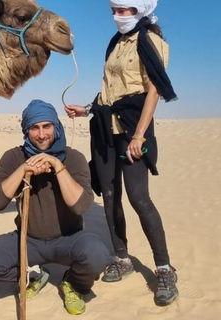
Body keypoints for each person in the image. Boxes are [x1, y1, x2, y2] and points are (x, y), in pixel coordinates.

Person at [64, 0, 178, 307]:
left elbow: (153, 89)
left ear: (139, 10)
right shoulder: (115, 43)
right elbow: (109, 89)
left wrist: (139, 135)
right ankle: (122, 258)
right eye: (115, 10)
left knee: (139, 198)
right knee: (111, 196)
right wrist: (86, 109)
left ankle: (165, 269)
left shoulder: (150, 40)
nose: (118, 16)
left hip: (133, 129)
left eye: (125, 10)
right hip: (105, 130)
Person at [0, 99, 113, 315]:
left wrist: (58, 166)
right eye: (34, 128)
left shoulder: (74, 158)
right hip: (28, 240)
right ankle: (35, 275)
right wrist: (22, 170)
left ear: (56, 127)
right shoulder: (14, 157)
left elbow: (81, 206)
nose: (41, 134)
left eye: (47, 126)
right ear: (26, 130)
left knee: (98, 257)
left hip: (69, 238)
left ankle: (74, 283)